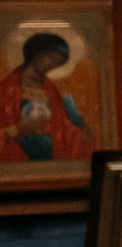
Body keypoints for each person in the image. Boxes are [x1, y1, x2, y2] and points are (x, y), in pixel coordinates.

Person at [2, 32, 90, 162]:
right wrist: (18, 129)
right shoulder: (6, 89)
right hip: (17, 152)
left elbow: (62, 127)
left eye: (58, 62)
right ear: (37, 52)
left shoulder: (51, 89)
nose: (53, 64)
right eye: (51, 57)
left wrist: (81, 132)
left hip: (50, 152)